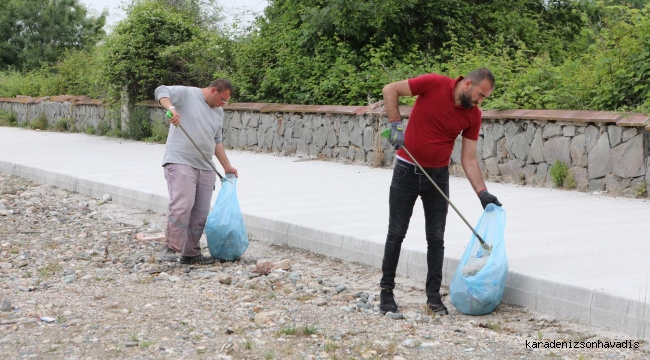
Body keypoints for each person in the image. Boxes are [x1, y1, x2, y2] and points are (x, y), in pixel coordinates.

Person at [379, 68, 502, 315]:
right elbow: (390, 89)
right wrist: (395, 126)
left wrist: (482, 193)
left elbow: (468, 158)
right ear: (467, 84)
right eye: (480, 95)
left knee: (436, 239)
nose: (480, 102)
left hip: (437, 176)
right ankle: (386, 294)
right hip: (406, 170)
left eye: (484, 99)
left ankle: (433, 298)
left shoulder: (473, 116)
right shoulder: (433, 84)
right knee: (396, 233)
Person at [154, 79, 238, 265]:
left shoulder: (218, 112)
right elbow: (161, 90)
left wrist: (227, 166)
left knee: (200, 213)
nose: (223, 104)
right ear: (213, 90)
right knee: (183, 204)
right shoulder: (188, 94)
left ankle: (191, 253)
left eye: (226, 102)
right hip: (180, 161)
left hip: (206, 166)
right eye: (222, 99)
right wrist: (171, 109)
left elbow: (217, 140)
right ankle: (170, 247)